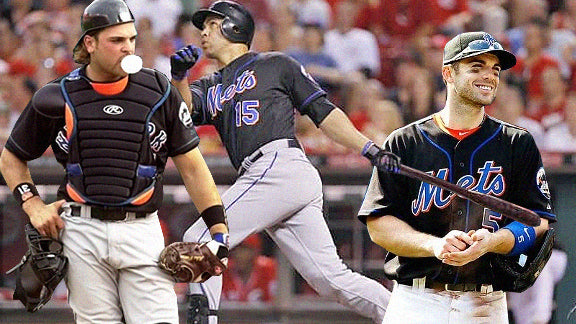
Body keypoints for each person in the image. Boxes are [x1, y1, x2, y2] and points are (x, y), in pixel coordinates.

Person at [169, 1, 399, 323]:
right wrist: (179, 77)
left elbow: (324, 113)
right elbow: (184, 112)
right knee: (331, 279)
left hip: (279, 165)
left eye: (211, 24)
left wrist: (368, 148)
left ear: (233, 28)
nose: (203, 32)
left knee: (200, 240)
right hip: (270, 176)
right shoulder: (209, 85)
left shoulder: (275, 64)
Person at [0, 0, 229, 323]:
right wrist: (33, 204)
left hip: (142, 229)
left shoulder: (159, 90)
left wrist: (219, 230)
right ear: (90, 43)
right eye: (117, 40)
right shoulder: (57, 95)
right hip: (81, 228)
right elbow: (11, 158)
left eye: (131, 39)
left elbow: (192, 166)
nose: (128, 48)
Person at [358, 31, 556, 323]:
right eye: (477, 67)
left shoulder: (517, 143)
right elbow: (379, 223)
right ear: (448, 73)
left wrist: (494, 241)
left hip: (484, 303)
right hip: (416, 299)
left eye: (495, 69)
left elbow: (538, 221)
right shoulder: (405, 142)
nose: (489, 76)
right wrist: (433, 245)